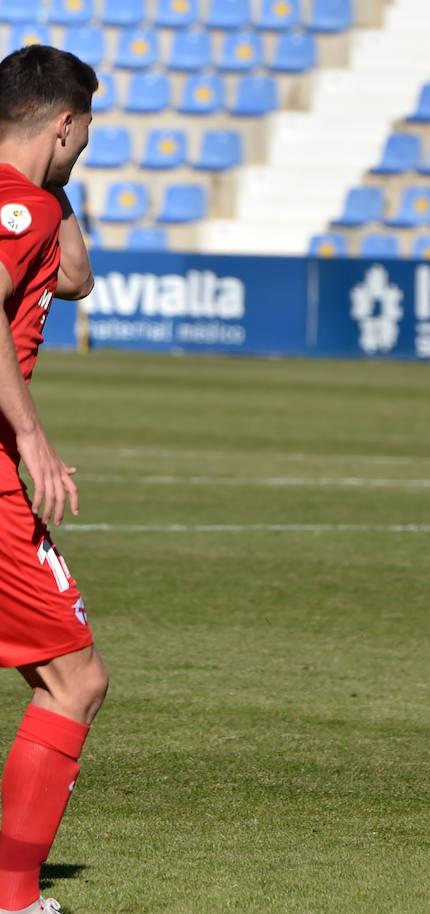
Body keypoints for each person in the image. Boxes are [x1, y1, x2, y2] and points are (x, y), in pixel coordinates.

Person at [0, 46, 102, 914]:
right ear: (64, 125)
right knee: (76, 682)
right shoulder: (21, 202)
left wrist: (53, 185)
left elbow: (73, 279)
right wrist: (30, 433)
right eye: (82, 137)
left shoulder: (32, 203)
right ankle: (13, 899)